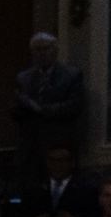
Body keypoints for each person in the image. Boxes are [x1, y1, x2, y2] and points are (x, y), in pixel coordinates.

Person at [11, 33, 85, 188]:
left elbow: (74, 106)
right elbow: (16, 110)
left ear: (55, 50)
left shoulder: (71, 75)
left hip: (59, 143)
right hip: (31, 145)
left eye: (46, 49)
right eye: (37, 49)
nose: (41, 53)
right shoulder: (23, 78)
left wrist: (40, 109)